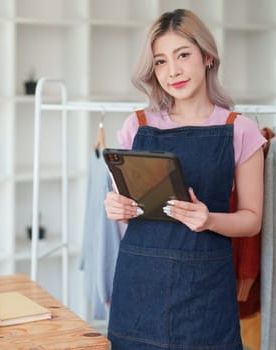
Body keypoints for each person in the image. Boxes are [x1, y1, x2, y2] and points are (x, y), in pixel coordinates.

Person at [104, 9, 266, 350]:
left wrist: (209, 220)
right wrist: (115, 206)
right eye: (160, 61)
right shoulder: (137, 126)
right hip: (140, 283)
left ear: (207, 57)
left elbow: (251, 221)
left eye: (183, 55)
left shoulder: (240, 130)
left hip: (205, 288)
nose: (172, 71)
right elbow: (127, 206)